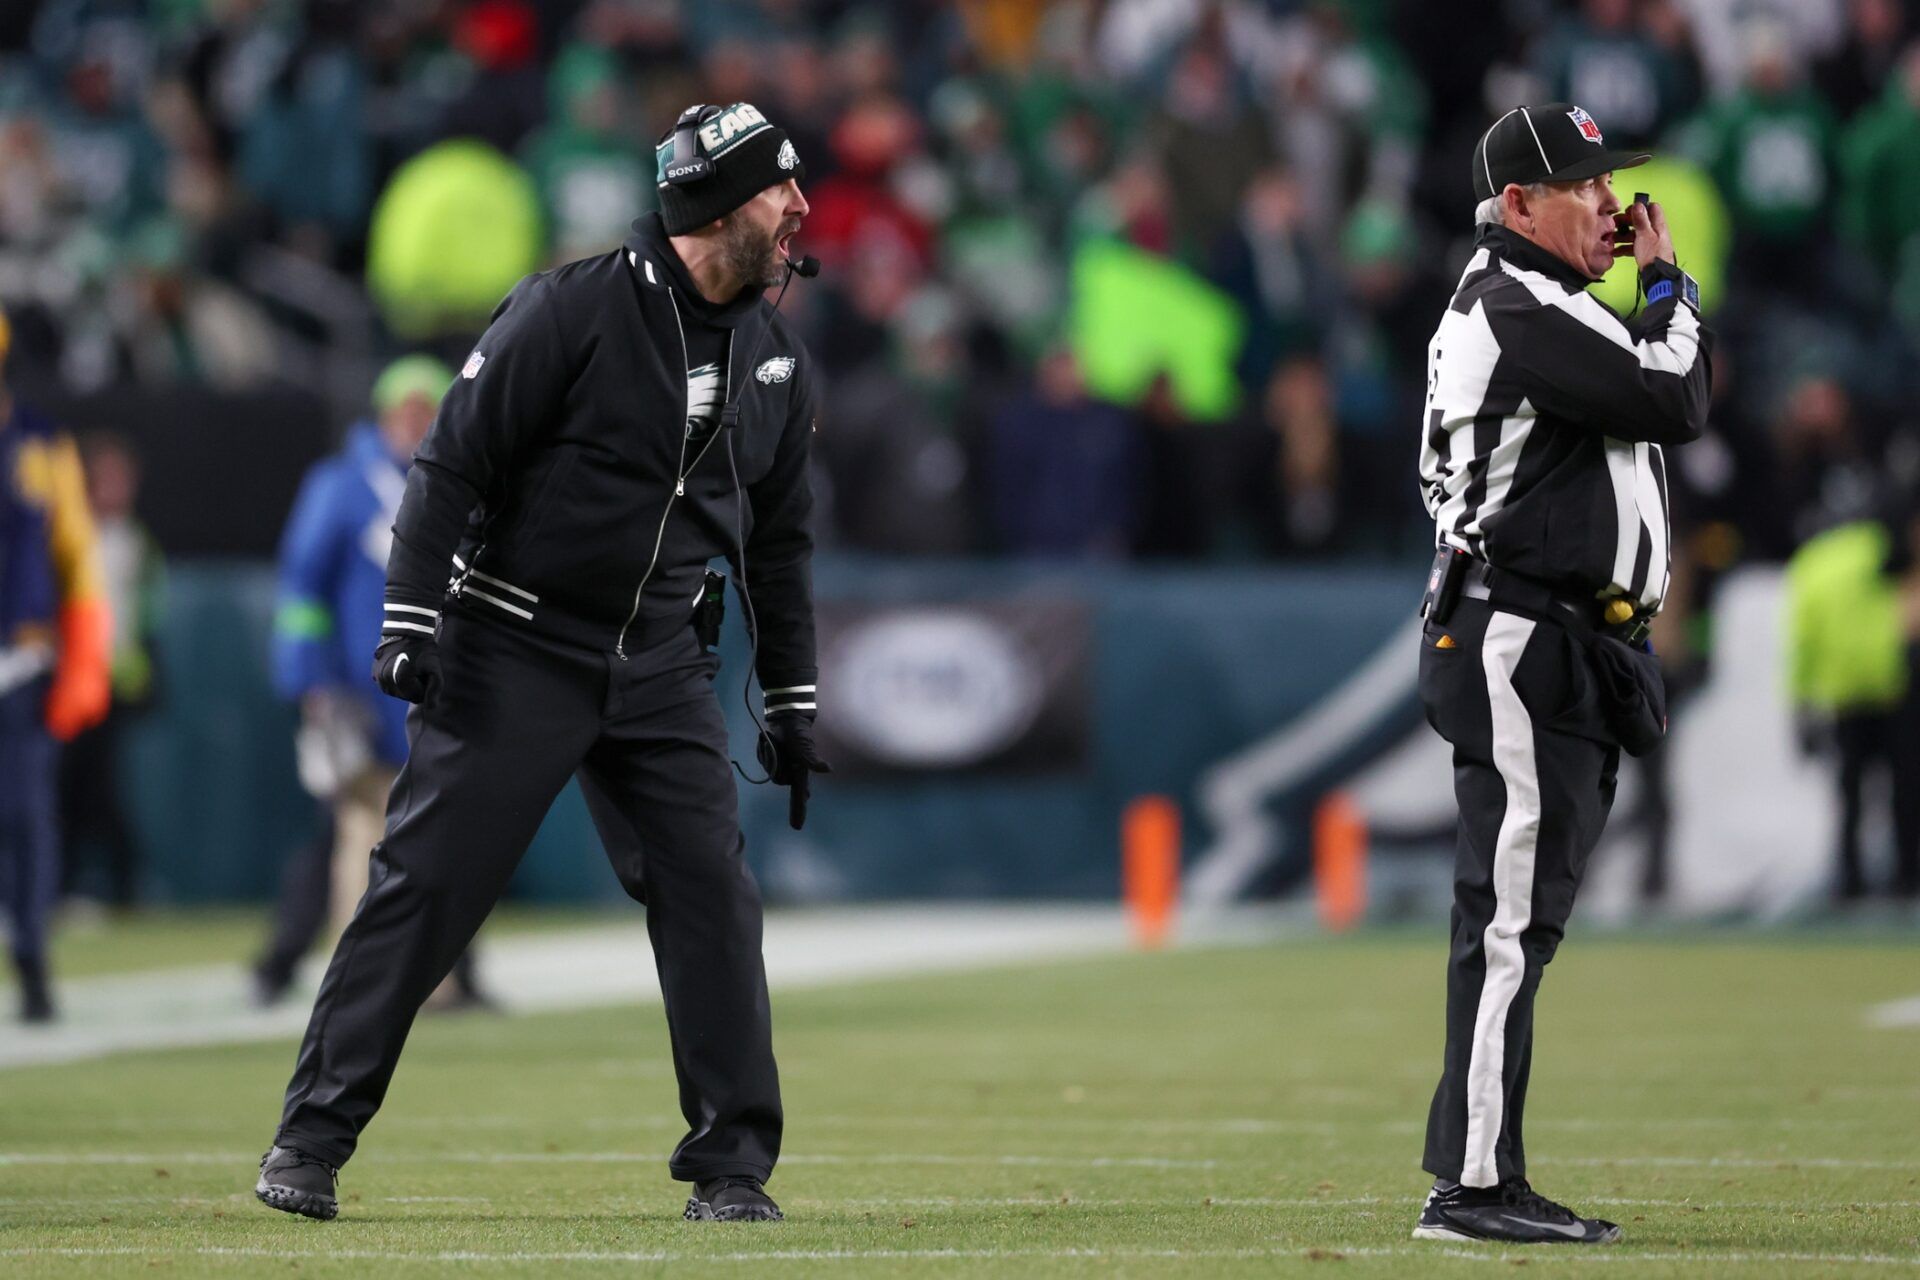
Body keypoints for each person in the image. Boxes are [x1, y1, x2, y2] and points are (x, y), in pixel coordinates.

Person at [255, 102, 827, 1226]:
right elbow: (448, 467)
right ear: (718, 205)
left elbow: (782, 542)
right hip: (516, 637)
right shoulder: (573, 310)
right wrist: (410, 618)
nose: (801, 208)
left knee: (711, 889)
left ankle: (731, 1163)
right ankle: (309, 1138)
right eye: (779, 187)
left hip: (660, 659)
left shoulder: (774, 360)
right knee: (429, 883)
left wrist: (794, 695)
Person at [1412, 104, 1710, 1244]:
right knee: (1506, 921)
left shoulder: (1545, 307)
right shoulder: (1511, 301)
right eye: (1582, 184)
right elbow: (1672, 394)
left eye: (1610, 182)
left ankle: (1486, 1169)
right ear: (1519, 205)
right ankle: (1474, 1184)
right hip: (1518, 634)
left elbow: (1642, 394)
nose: (1610, 204)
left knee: (1518, 918)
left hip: (1554, 639)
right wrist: (1672, 286)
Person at [254, 357, 488, 1007]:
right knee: (364, 831)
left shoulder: (464, 482)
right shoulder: (344, 485)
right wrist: (309, 679)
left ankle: (442, 976)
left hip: (440, 689)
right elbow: (303, 588)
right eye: (405, 411)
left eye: (426, 410)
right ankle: (364, 977)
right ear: (384, 415)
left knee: (442, 834)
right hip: (363, 691)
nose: (416, 423)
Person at [0, 306, 112, 1022]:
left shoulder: (41, 442)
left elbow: (79, 560)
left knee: (23, 816)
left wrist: (85, 664)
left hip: (21, 657)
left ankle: (32, 954)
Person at [59, 430, 164, 910]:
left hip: (114, 687)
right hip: (69, 682)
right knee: (64, 787)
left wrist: (140, 671)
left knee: (107, 791)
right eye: (105, 480)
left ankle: (124, 892)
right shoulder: (72, 534)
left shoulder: (137, 544)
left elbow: (144, 615)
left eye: (123, 481)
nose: (114, 491)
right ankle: (58, 888)